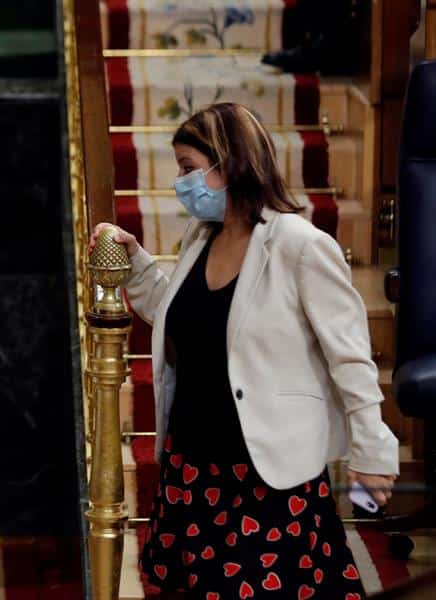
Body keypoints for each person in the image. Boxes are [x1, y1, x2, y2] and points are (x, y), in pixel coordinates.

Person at [90, 103, 398, 599]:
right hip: (192, 468)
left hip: (265, 476)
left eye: (189, 168)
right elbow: (186, 320)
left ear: (229, 163)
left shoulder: (299, 245)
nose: (180, 182)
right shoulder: (202, 236)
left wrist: (372, 449)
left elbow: (350, 357)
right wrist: (136, 264)